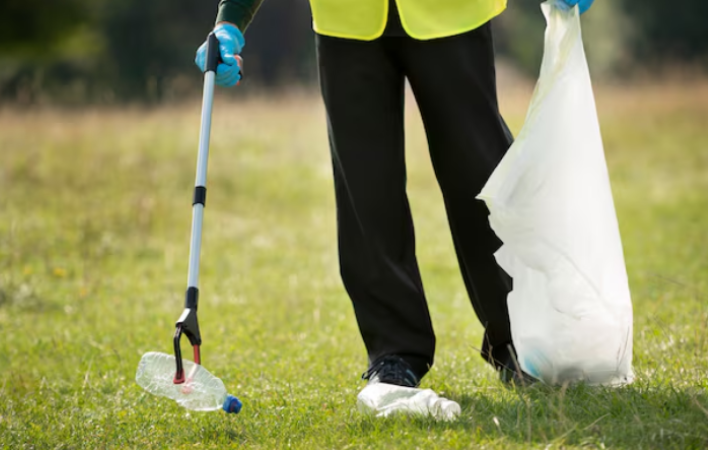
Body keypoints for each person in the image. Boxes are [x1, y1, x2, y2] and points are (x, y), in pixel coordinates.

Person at [195, 0, 596, 387]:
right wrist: (230, 19)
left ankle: (520, 340)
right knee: (366, 192)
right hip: (347, 21)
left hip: (451, 13)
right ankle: (394, 354)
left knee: (481, 176)